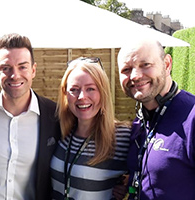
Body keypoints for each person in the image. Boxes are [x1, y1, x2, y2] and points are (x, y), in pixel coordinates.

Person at [0, 33, 61, 200]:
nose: (14, 75)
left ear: (33, 70)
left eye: (22, 67)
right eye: (6, 68)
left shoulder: (54, 115)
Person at [117, 38, 195, 200]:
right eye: (126, 69)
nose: (135, 76)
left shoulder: (192, 117)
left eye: (145, 65)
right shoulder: (141, 121)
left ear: (167, 64)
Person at [50, 57, 131, 199]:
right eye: (74, 89)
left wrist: (127, 187)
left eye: (90, 89)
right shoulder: (61, 132)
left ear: (103, 92)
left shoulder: (122, 137)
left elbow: (149, 175)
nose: (82, 96)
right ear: (65, 94)